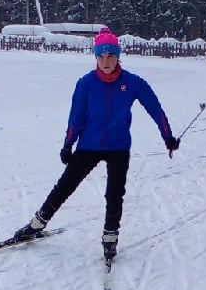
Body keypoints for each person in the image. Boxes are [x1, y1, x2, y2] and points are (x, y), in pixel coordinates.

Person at [13, 29, 179, 264]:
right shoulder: (86, 84)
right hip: (88, 146)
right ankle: (37, 224)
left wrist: (168, 136)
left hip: (118, 147)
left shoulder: (132, 83)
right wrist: (67, 145)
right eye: (100, 56)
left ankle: (110, 238)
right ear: (95, 57)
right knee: (64, 187)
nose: (105, 62)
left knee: (114, 194)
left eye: (110, 56)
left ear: (118, 56)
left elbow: (155, 108)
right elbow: (76, 117)